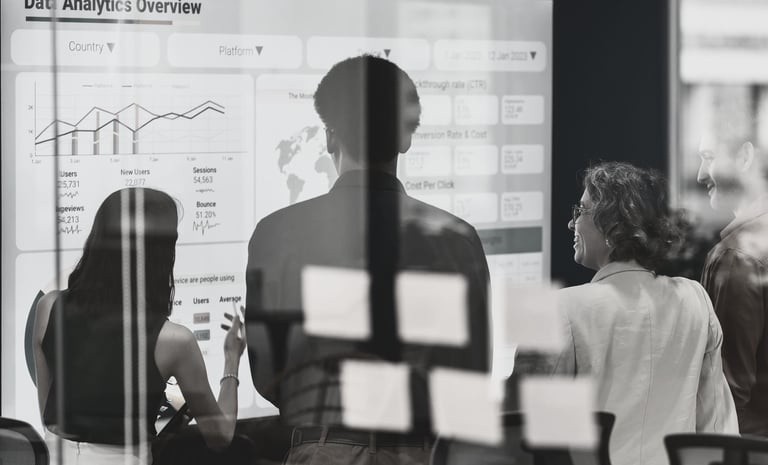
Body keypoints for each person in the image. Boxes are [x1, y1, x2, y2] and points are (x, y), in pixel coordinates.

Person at [245, 55, 490, 464]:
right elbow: (472, 373)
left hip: (321, 450)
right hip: (418, 453)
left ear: (329, 137)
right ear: (405, 138)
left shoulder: (276, 233)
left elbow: (268, 375)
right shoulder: (457, 238)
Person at [32, 188, 245, 464]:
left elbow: (56, 418)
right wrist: (232, 361)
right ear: (161, 254)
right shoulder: (174, 340)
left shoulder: (48, 308)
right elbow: (220, 436)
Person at [552, 162, 738, 465]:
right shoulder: (695, 300)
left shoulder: (565, 309)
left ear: (612, 227)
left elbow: (519, 427)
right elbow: (718, 426)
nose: (572, 224)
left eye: (582, 211)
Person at [697, 125, 768, 436]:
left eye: (708, 157)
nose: (700, 174)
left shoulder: (737, 256)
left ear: (745, 156)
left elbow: (728, 390)